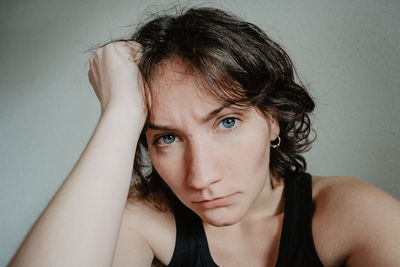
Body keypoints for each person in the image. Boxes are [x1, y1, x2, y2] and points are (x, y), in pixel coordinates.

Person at [9, 7, 400, 267]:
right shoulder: (142, 220)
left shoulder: (349, 213)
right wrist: (120, 115)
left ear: (274, 120)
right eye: (167, 138)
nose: (201, 176)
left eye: (227, 122)